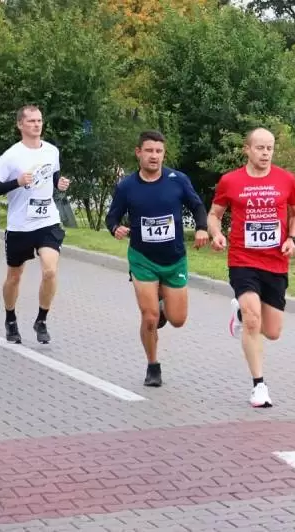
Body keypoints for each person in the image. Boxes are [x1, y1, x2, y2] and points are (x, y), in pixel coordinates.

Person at [208, 128, 295, 407]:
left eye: (269, 148)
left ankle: (239, 312)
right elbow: (215, 214)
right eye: (260, 148)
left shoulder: (286, 179)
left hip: (275, 261)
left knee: (272, 331)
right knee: (253, 320)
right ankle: (259, 386)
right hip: (243, 259)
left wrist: (292, 238)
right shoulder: (230, 181)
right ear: (247, 149)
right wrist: (216, 233)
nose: (265, 153)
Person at [106, 131, 209, 387]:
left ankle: (163, 301)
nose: (154, 156)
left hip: (174, 259)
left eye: (159, 151)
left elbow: (197, 206)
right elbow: (112, 216)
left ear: (164, 154)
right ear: (138, 152)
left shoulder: (178, 180)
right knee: (150, 316)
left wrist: (201, 228)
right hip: (142, 258)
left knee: (177, 320)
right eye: (149, 151)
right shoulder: (127, 186)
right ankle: (153, 365)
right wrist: (115, 228)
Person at [0, 105, 70, 344]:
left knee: (50, 270)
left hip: (47, 220)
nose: (36, 124)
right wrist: (17, 182)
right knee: (14, 276)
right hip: (20, 225)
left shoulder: (51, 150)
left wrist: (59, 183)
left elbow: (53, 175)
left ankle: (41, 319)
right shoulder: (11, 156)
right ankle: (10, 318)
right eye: (31, 121)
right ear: (20, 125)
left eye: (39, 120)